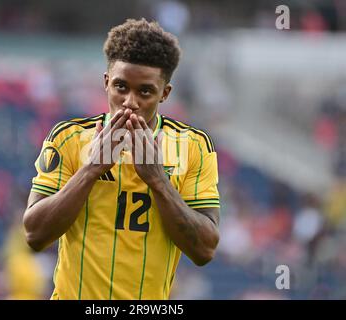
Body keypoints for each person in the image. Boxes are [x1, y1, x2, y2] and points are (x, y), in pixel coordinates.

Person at [23, 18, 220, 300]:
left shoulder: (194, 147)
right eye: (121, 87)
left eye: (145, 91)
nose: (130, 101)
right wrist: (91, 169)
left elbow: (205, 250)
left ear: (164, 93)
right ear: (106, 83)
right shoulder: (67, 138)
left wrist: (157, 181)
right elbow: (35, 235)